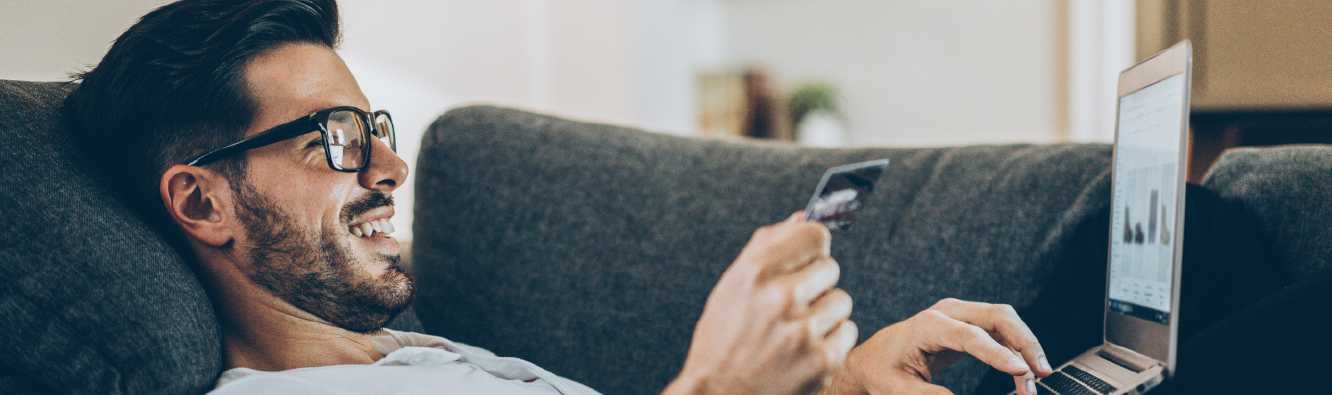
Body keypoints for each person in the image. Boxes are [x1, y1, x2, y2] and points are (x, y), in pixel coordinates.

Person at [63, 1, 1053, 394]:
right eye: (338, 138)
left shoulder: (420, 356)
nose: (389, 170)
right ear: (201, 203)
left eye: (381, 132)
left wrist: (842, 382)